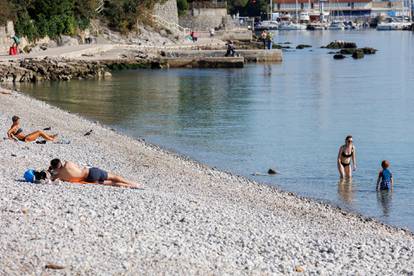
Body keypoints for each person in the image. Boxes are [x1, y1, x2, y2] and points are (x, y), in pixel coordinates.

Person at [48, 159, 143, 189]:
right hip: (90, 172)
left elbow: (51, 177)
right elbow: (77, 168)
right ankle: (134, 184)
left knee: (112, 183)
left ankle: (132, 187)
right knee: (114, 177)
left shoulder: (58, 176)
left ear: (54, 168)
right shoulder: (68, 164)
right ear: (60, 162)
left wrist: (52, 171)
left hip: (88, 180)